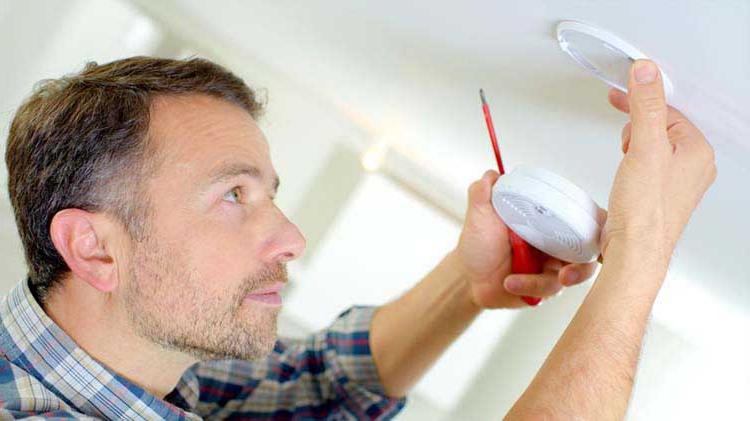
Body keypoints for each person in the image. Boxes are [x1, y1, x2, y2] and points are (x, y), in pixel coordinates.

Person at [0, 56, 714, 420]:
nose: (290, 236)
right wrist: (640, 256)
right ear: (94, 249)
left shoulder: (140, 361)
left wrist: (465, 288)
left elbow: (316, 385)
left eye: (269, 194)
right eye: (232, 196)